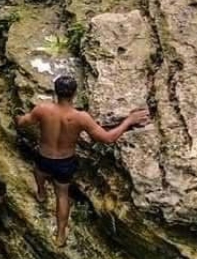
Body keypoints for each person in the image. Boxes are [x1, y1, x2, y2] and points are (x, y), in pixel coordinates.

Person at [15, 75, 149, 247]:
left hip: (44, 157)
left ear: (55, 92)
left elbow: (23, 122)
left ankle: (41, 193)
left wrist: (17, 118)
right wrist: (129, 121)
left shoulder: (42, 109)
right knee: (62, 195)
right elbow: (108, 138)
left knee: (38, 171)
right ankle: (61, 235)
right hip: (65, 162)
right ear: (74, 94)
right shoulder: (81, 117)